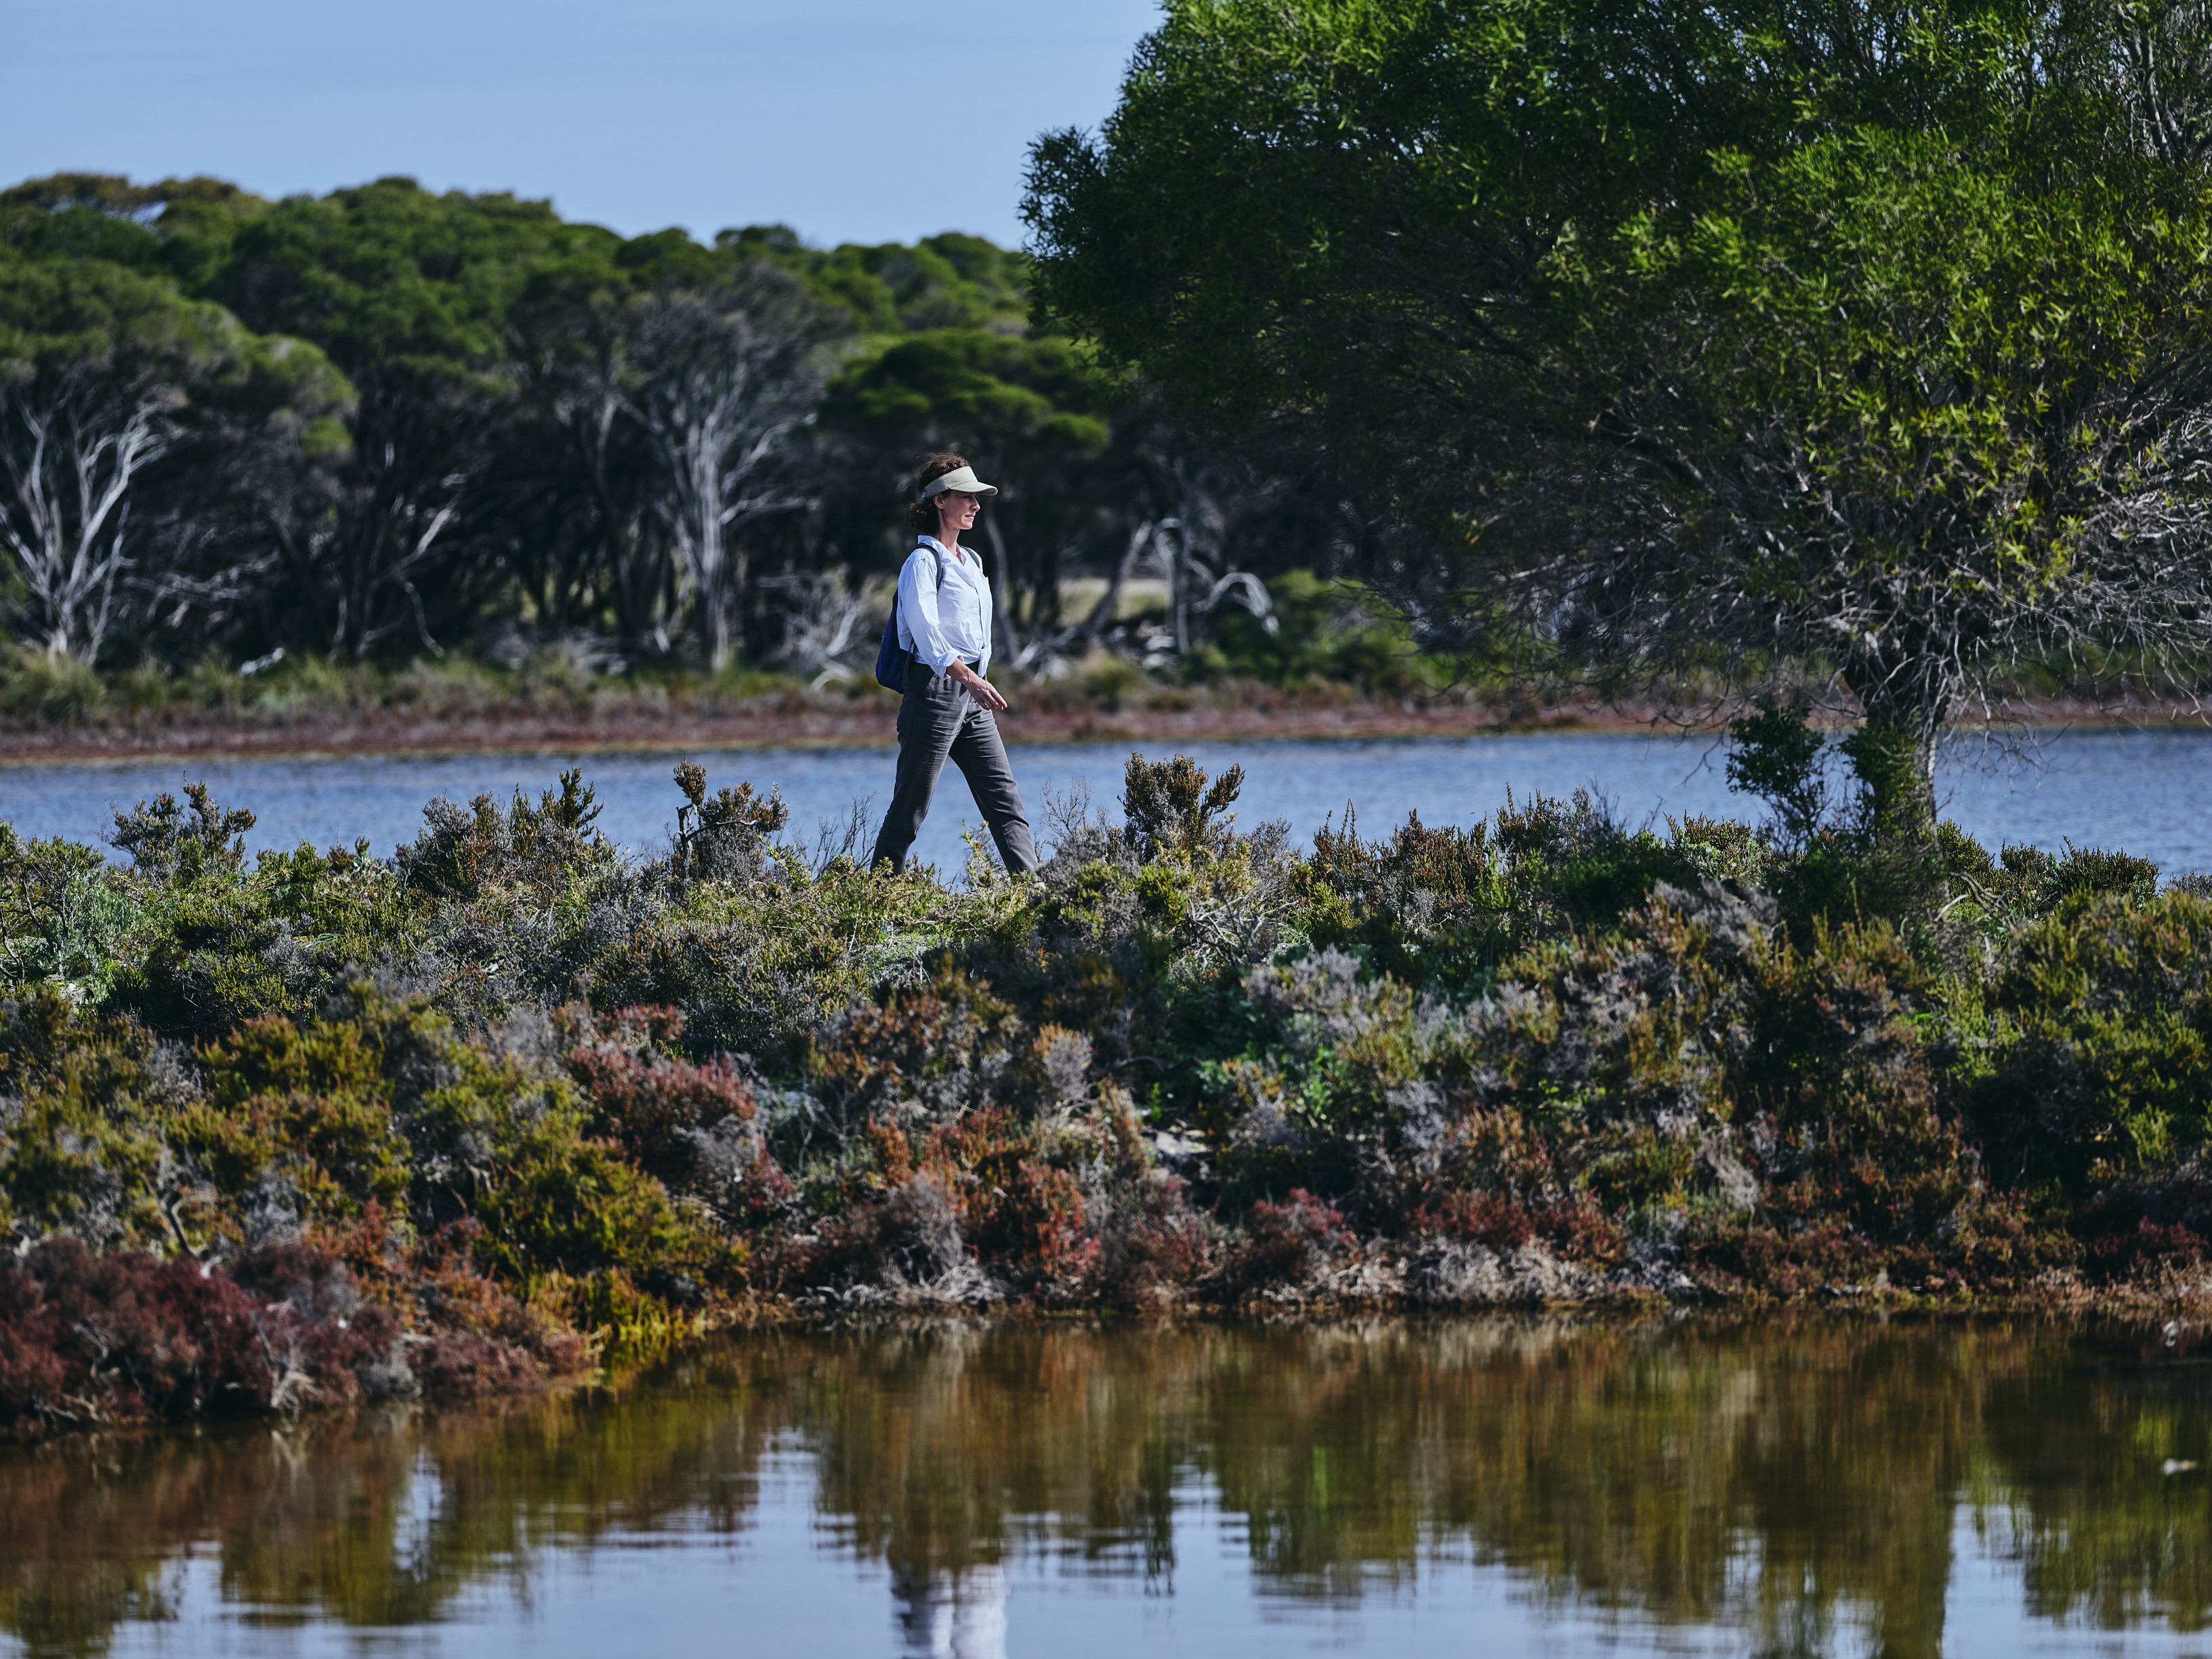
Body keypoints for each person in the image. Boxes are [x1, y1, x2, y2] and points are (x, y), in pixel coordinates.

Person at [869, 453, 1040, 877]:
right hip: (934, 694)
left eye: (977, 498)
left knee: (1005, 800)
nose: (976, 505)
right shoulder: (922, 564)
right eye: (967, 497)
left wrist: (976, 681)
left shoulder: (973, 562)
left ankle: (1039, 899)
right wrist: (967, 677)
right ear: (940, 501)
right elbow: (927, 635)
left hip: (972, 696)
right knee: (910, 808)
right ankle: (871, 903)